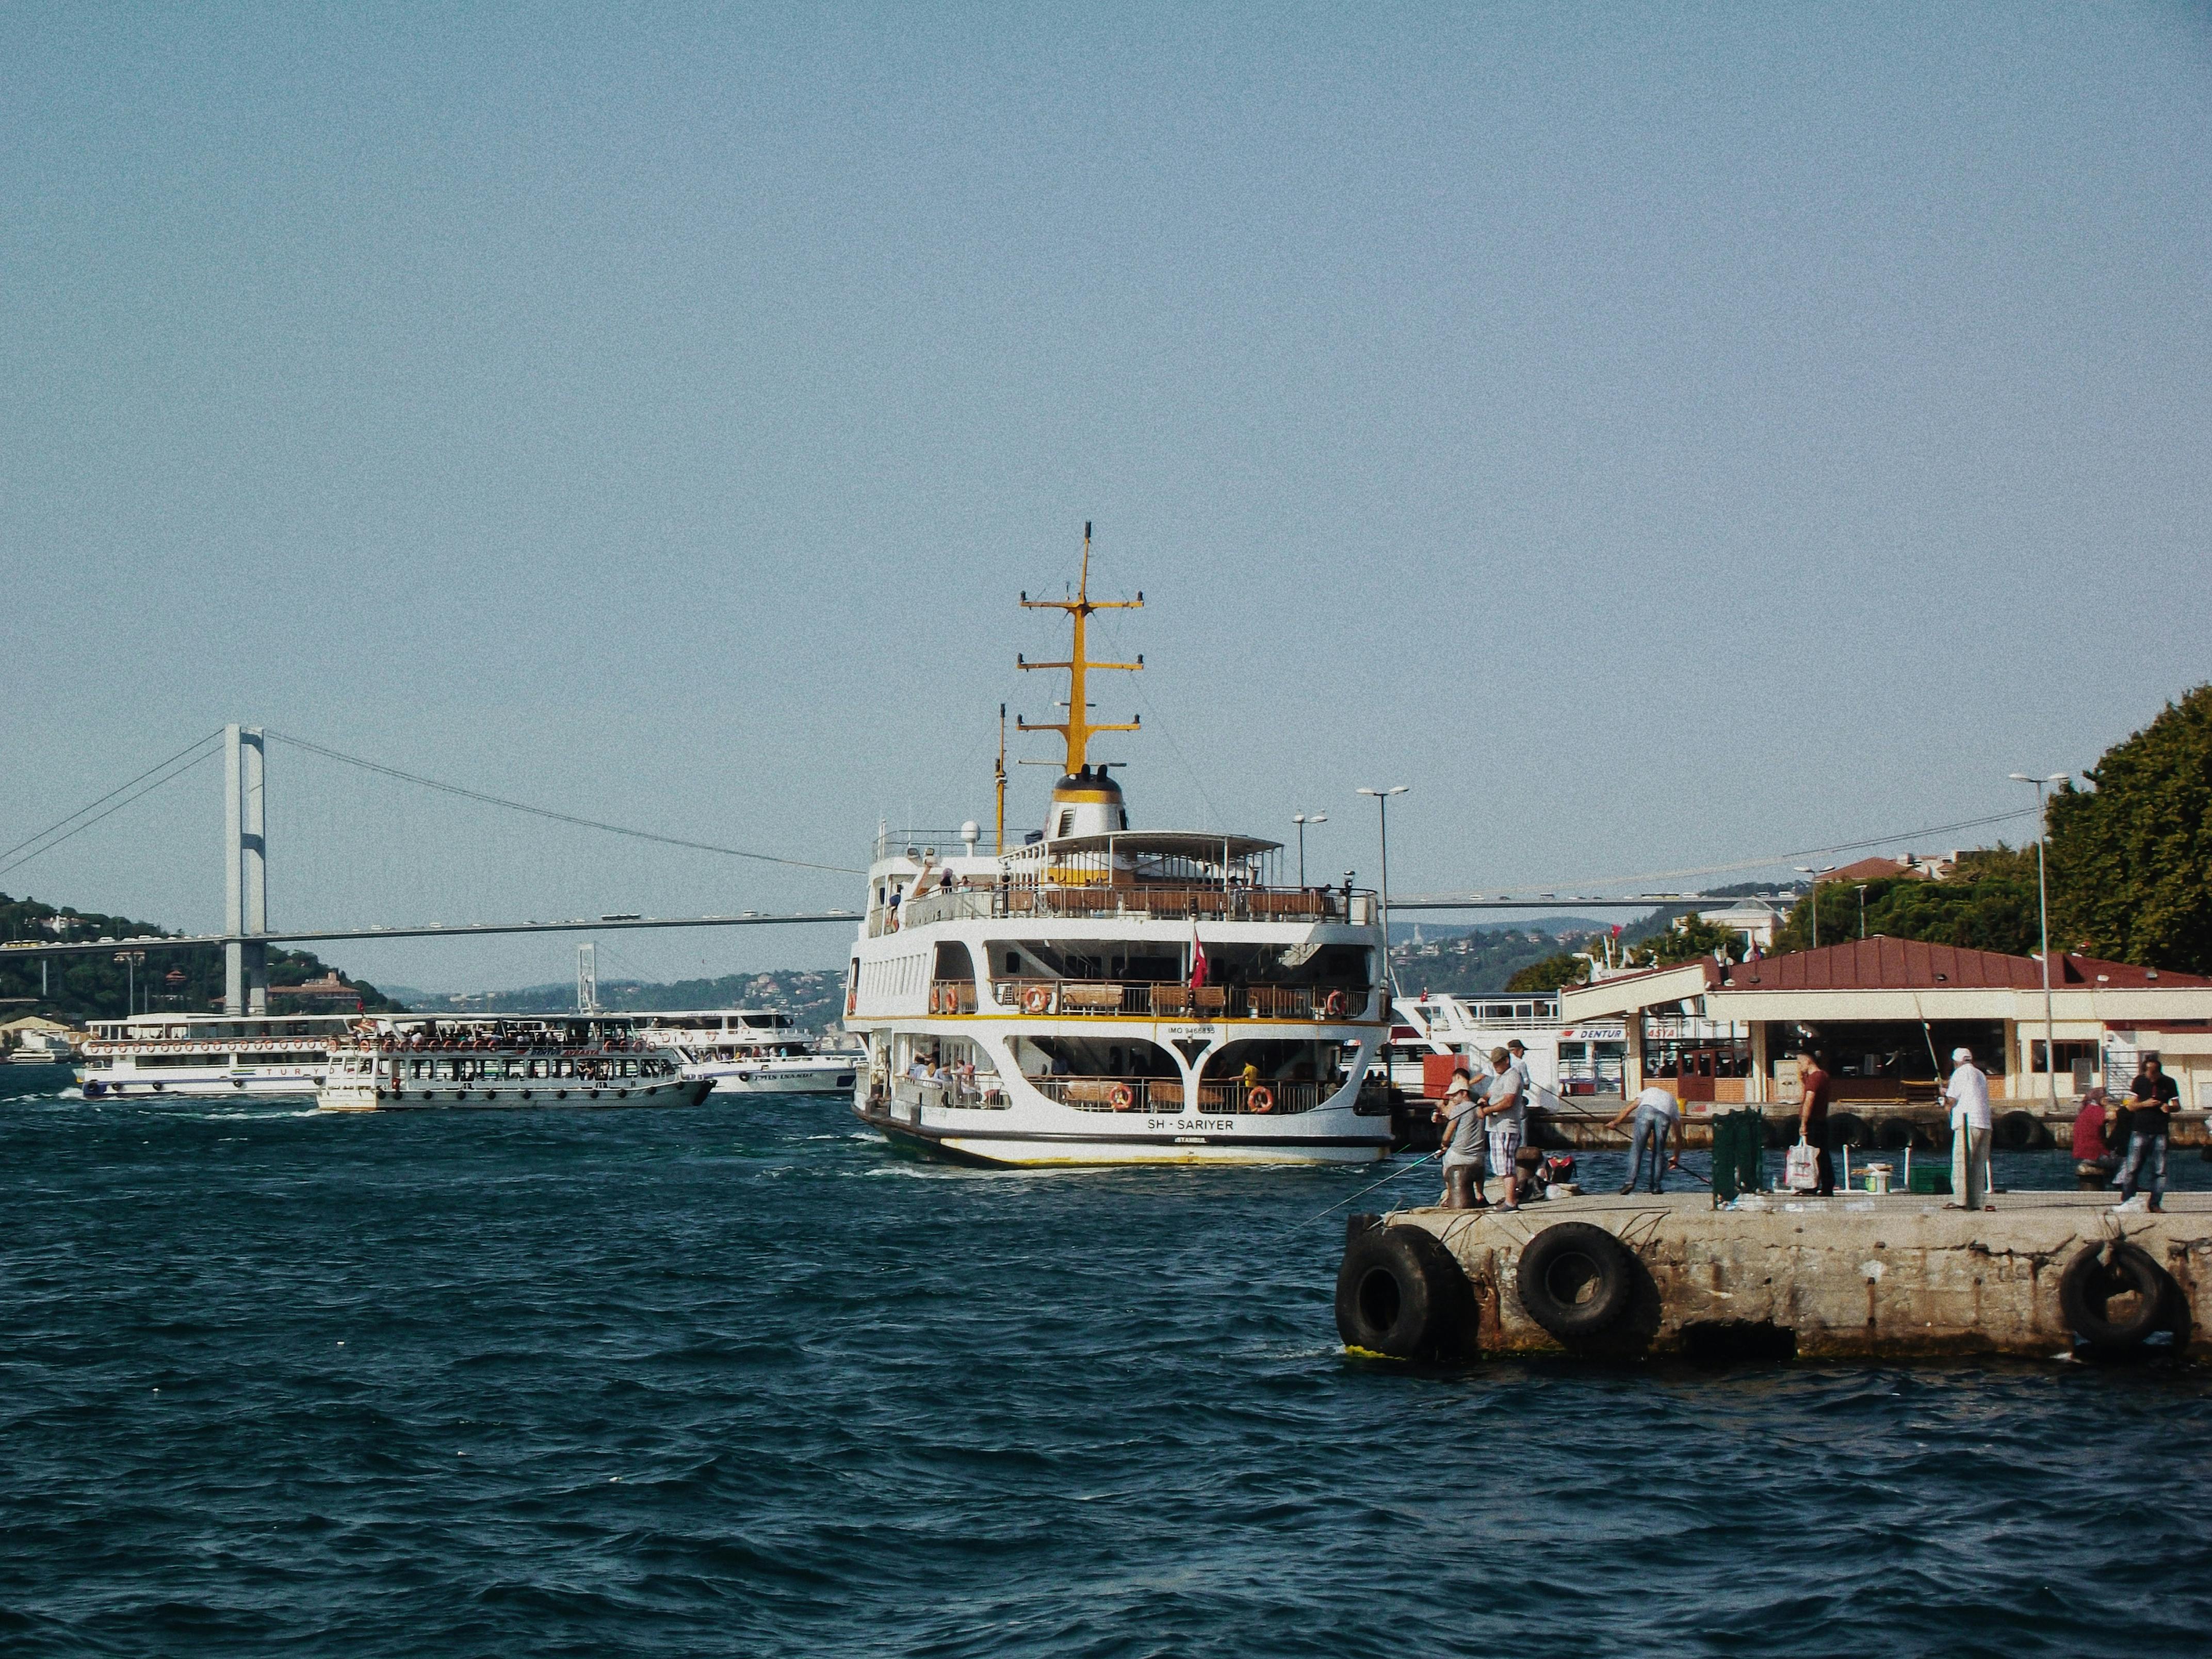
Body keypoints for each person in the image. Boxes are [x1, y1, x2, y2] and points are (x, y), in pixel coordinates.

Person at [2117, 1056, 2181, 1212]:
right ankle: (2128, 1200)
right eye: (2148, 1073)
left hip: (2160, 1131)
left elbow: (2177, 1106)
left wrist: (2169, 1108)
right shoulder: (2139, 1082)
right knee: (2133, 1168)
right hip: (2140, 1129)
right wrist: (2145, 1104)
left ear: (2159, 1072)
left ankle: (2155, 1203)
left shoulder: (2169, 1082)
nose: (2151, 1077)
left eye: (2154, 1073)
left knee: (2160, 1171)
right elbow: (2130, 1107)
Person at [1605, 1083, 1682, 1194]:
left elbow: (1629, 1109)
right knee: (1659, 1152)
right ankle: (1655, 1186)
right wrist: (1676, 1157)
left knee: (1637, 1149)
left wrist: (1615, 1122)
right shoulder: (1672, 1101)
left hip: (1646, 1111)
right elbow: (1679, 1135)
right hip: (1665, 1116)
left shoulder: (1648, 1092)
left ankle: (1630, 1182)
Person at [1943, 1046, 1993, 1211]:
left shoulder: (1959, 1073)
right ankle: (1977, 1201)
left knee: (1962, 1162)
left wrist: (1943, 1099)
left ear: (1956, 1061)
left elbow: (1951, 1101)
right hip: (1985, 1123)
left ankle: (1961, 1200)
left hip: (1967, 1123)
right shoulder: (1980, 1074)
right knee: (1978, 1164)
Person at [1477, 1047, 1527, 1211]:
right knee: (1501, 1166)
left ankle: (1511, 1202)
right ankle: (1508, 1199)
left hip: (1506, 1127)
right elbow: (1490, 1094)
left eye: (1498, 1063)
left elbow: (1508, 1102)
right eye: (1494, 1063)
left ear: (1506, 1060)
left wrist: (1486, 1111)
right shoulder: (1499, 1077)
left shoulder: (1512, 1076)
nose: (1495, 1066)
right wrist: (1483, 1100)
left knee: (1507, 1166)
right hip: (1495, 1128)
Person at [1435, 1067, 1485, 1209]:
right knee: (1481, 1158)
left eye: (1454, 1095)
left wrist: (1443, 1146)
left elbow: (1448, 1134)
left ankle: (1450, 1194)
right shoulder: (1478, 1108)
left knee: (1446, 1161)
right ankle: (1480, 1194)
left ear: (1464, 1093)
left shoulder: (1459, 1108)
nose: (1451, 1098)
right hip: (1479, 1158)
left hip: (1460, 1156)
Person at [1798, 1049, 1836, 1197]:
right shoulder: (1824, 1076)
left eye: (1800, 1062)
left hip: (1813, 1121)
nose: (1799, 1066)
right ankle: (1826, 1184)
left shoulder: (1815, 1078)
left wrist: (1804, 1123)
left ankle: (1812, 1185)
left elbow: (1809, 1101)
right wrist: (1802, 1081)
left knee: (1812, 1155)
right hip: (1821, 1120)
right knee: (1821, 1154)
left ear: (1808, 1061)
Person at [2070, 1086, 2118, 1180]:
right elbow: (2112, 1117)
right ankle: (2120, 1183)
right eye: (2104, 1097)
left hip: (2083, 1153)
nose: (2107, 1099)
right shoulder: (2096, 1110)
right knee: (2125, 1161)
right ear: (2098, 1099)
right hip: (2094, 1154)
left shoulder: (2086, 1110)